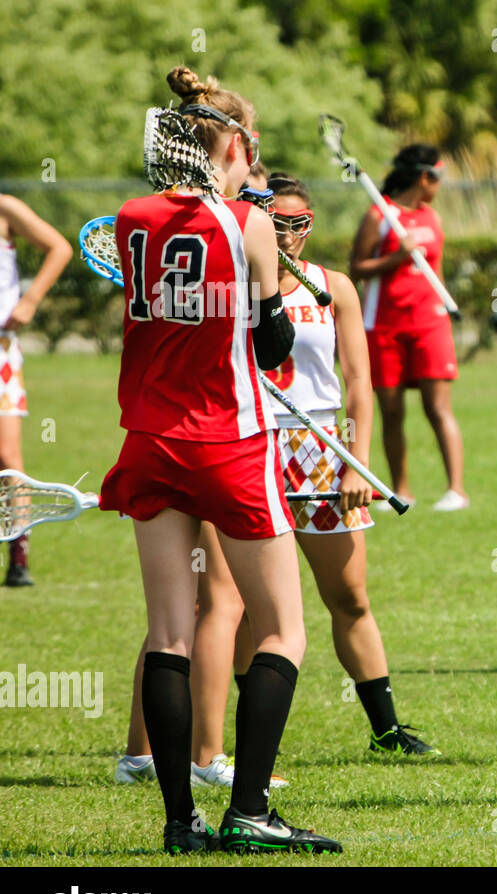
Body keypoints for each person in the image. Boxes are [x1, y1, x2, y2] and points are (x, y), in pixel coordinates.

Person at [114, 172, 436, 787]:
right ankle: (175, 752)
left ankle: (386, 726)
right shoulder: (229, 282)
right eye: (277, 221)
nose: (288, 233)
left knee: (348, 597)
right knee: (220, 606)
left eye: (299, 222)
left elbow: (360, 382)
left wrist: (355, 459)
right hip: (244, 445)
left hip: (319, 451)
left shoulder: (332, 286)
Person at [99, 65, 338, 852]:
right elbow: (272, 345)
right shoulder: (248, 224)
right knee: (283, 632)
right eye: (251, 147)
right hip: (227, 439)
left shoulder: (132, 217)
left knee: (167, 629)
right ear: (233, 145)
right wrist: (269, 276)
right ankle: (249, 810)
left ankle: (178, 822)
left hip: (149, 438)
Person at [349, 144, 466, 511]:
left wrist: (445, 308)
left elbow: (437, 271)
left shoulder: (433, 217)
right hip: (383, 325)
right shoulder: (379, 215)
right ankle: (401, 489)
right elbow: (356, 268)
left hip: (430, 323)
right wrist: (397, 257)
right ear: (423, 177)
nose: (440, 185)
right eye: (438, 177)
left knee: (438, 407)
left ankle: (456, 491)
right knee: (392, 410)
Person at [0, 194, 73, 586]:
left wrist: (29, 300)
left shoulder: (5, 208)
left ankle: (18, 553)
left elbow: (59, 247)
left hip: (1, 350)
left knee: (7, 456)